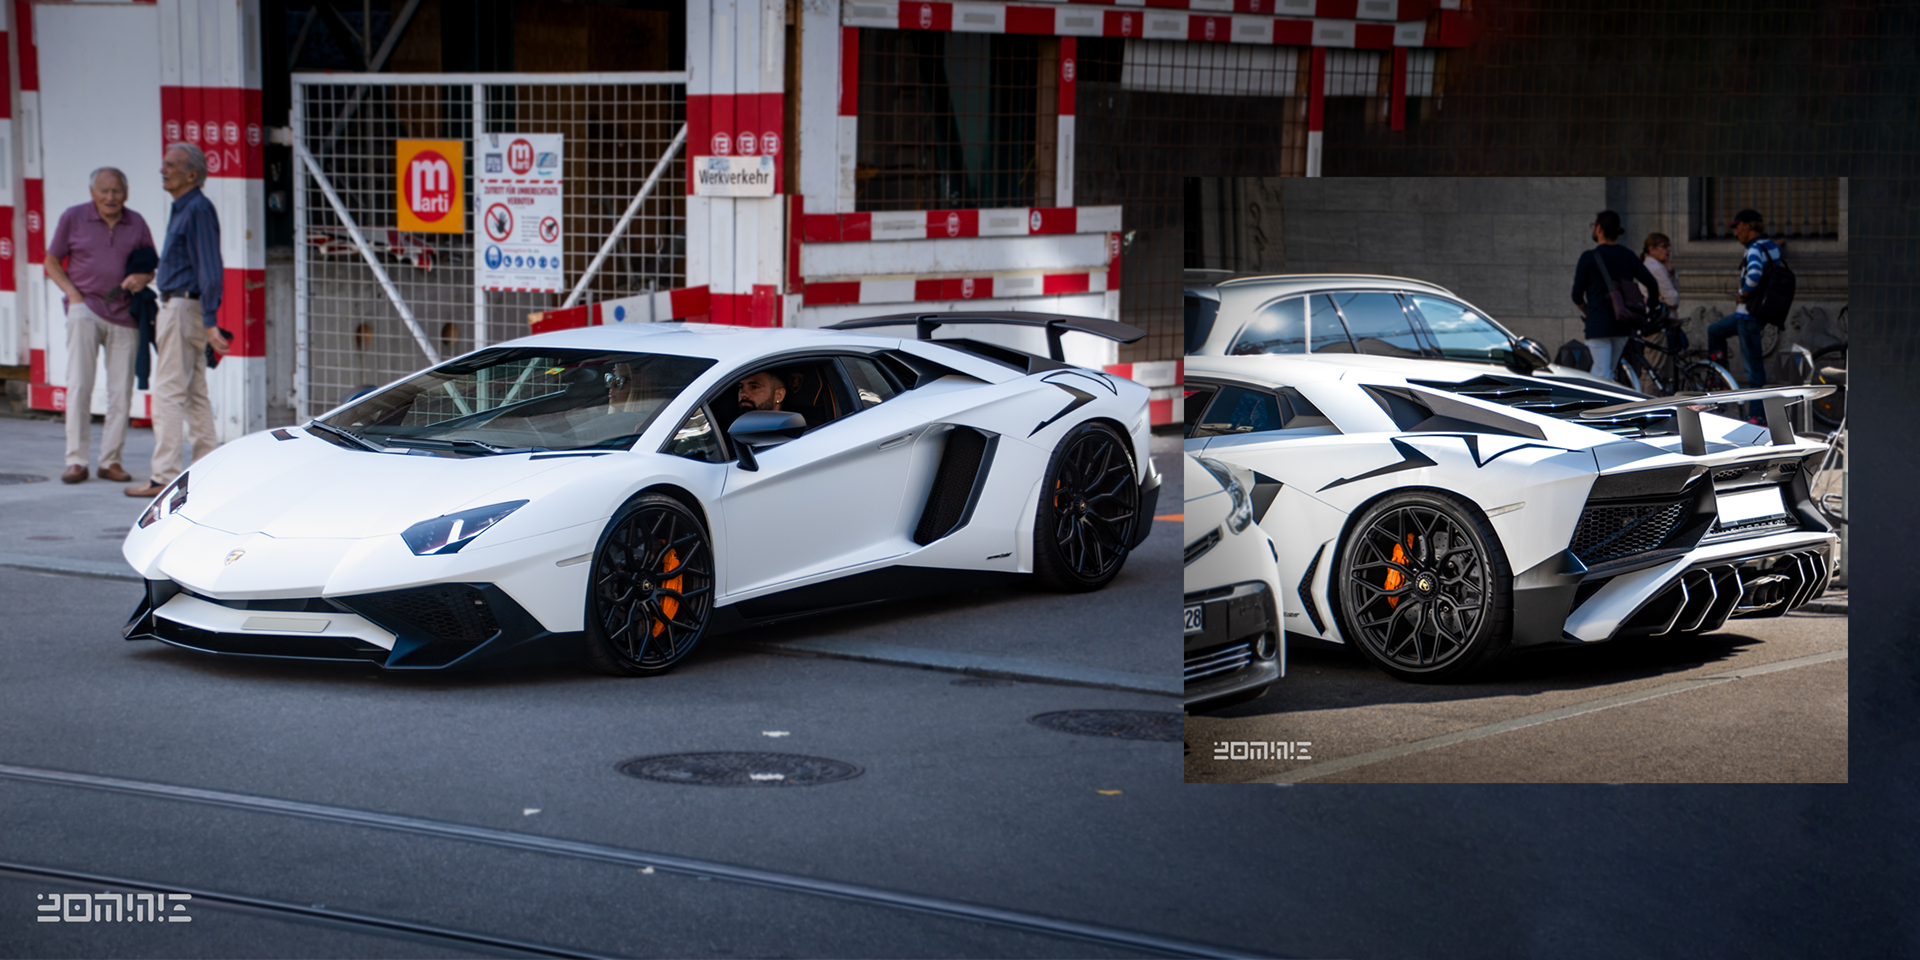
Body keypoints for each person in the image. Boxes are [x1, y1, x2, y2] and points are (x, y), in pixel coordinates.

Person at [125, 143, 230, 499]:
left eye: (170, 165)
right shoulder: (187, 208)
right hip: (184, 307)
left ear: (191, 174)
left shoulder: (196, 209)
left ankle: (163, 476)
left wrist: (211, 320)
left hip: (184, 308)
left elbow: (210, 271)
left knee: (169, 392)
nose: (163, 170)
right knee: (194, 392)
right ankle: (207, 470)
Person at [47, 167, 155, 484]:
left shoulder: (137, 222)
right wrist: (73, 296)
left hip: (125, 314)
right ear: (92, 193)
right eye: (104, 191)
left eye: (116, 191)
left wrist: (143, 277)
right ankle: (76, 461)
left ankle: (111, 461)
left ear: (127, 193)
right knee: (80, 384)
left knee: (121, 391)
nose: (110, 197)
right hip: (86, 308)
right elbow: (51, 261)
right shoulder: (73, 217)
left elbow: (150, 265)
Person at [1707, 208, 1784, 421]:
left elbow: (1754, 274)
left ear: (1746, 227)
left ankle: (1757, 414)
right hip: (1755, 314)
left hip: (1748, 315)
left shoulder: (1753, 249)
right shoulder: (1770, 246)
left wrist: (1743, 294)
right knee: (1715, 330)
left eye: (1738, 228)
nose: (1736, 233)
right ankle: (1720, 377)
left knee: (1754, 370)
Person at [1570, 210, 1662, 381]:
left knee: (1602, 375)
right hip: (1622, 324)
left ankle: (1598, 399)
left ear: (1599, 229)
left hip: (1598, 324)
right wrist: (1649, 311)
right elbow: (1652, 284)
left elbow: (1576, 296)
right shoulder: (1627, 255)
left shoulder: (1589, 257)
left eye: (1593, 225)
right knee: (1608, 372)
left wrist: (1587, 311)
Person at [1640, 232, 1679, 313]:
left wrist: (1671, 274)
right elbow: (1673, 301)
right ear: (1652, 250)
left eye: (1669, 246)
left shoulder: (1649, 264)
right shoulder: (1656, 268)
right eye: (1664, 246)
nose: (1669, 249)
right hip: (1660, 318)